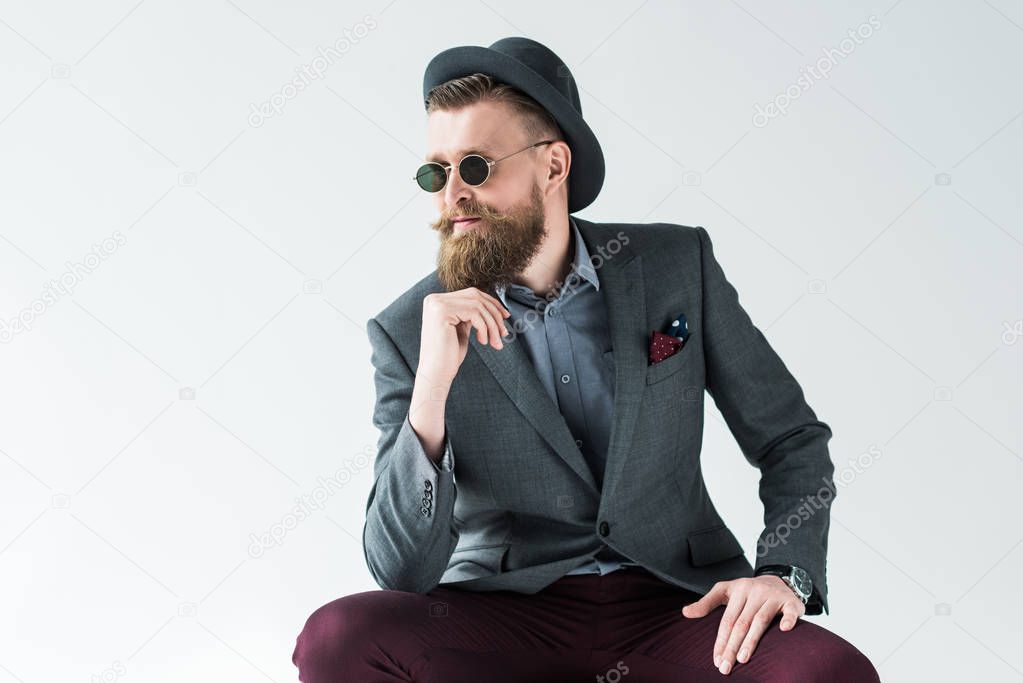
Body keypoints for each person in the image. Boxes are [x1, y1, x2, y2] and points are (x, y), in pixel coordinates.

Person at [292, 37, 880, 682]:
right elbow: (398, 571)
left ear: (553, 165)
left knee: (828, 672)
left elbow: (790, 437)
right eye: (436, 172)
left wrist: (783, 573)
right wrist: (431, 392)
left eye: (477, 167)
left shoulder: (676, 266)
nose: (451, 192)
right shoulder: (411, 329)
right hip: (505, 615)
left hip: (679, 607)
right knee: (338, 639)